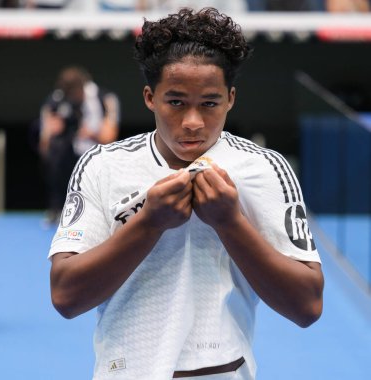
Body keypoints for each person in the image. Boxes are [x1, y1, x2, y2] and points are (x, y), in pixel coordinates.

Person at [48, 7, 324, 380]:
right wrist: (149, 223)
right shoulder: (103, 165)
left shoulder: (264, 168)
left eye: (209, 103)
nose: (193, 121)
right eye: (176, 102)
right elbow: (65, 296)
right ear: (150, 97)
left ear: (230, 99)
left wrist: (230, 223)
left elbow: (307, 305)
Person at [39, 66, 120, 223]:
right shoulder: (57, 99)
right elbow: (46, 138)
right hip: (69, 155)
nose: (74, 97)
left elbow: (109, 137)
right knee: (56, 149)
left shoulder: (105, 98)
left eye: (76, 93)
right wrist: (51, 131)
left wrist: (91, 133)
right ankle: (57, 208)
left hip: (97, 151)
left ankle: (101, 210)